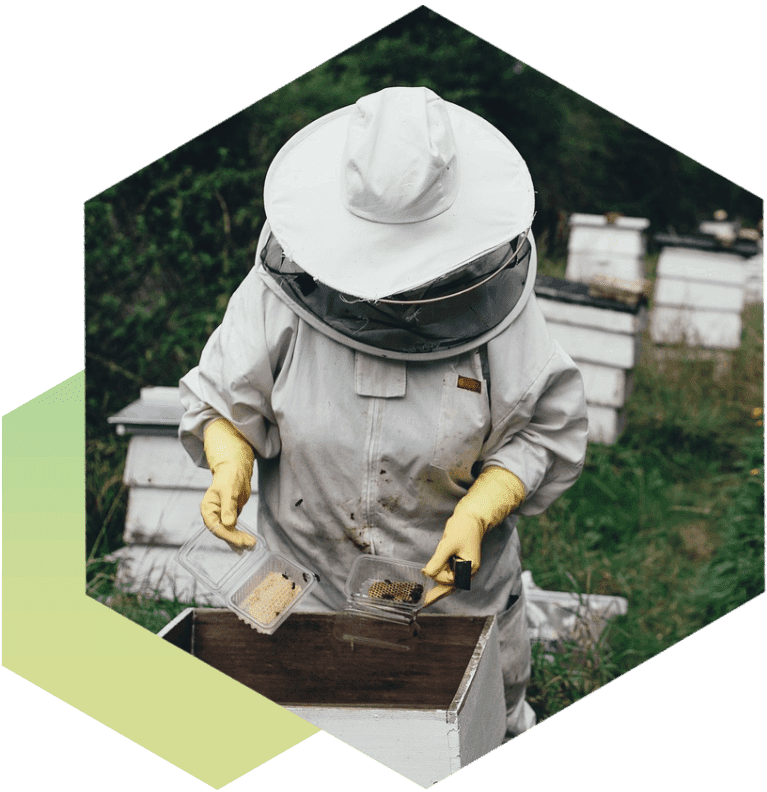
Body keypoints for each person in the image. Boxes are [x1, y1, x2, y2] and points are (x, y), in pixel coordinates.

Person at [178, 85, 589, 739]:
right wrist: (229, 464)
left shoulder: (503, 318)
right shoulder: (276, 298)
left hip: (448, 600)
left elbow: (541, 428)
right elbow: (222, 399)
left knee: (466, 741)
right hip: (296, 589)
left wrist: (478, 511)